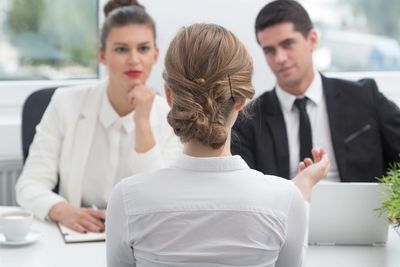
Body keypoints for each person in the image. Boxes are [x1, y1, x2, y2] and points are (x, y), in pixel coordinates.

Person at [106, 23, 330, 267]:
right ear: (241, 100)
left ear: (169, 96)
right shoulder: (285, 199)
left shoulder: (127, 199)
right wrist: (302, 189)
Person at [15, 0, 181, 233]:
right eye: (121, 49)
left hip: (140, 239)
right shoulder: (66, 103)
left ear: (155, 55)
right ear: (102, 55)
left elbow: (160, 200)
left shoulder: (170, 117)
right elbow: (29, 184)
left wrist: (142, 124)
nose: (134, 59)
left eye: (143, 49)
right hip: (79, 236)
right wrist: (63, 210)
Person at [232, 0, 400, 183]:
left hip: (360, 210)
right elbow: (244, 190)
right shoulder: (248, 120)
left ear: (312, 39)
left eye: (287, 44)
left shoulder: (366, 97)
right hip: (285, 210)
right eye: (269, 50)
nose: (280, 58)